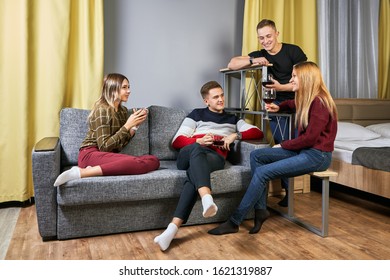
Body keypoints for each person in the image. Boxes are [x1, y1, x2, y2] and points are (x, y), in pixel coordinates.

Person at [208, 61, 338, 236]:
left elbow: (310, 139)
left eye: (294, 76)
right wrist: (280, 106)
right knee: (257, 155)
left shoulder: (320, 103)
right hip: (306, 151)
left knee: (263, 172)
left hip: (317, 156)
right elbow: (293, 104)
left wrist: (283, 144)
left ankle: (234, 221)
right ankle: (261, 209)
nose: (291, 80)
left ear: (306, 78)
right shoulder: (308, 98)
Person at [153, 81, 263, 251]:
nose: (221, 99)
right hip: (188, 154)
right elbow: (177, 141)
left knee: (193, 177)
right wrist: (198, 140)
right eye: (216, 97)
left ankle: (172, 229)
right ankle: (206, 197)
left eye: (222, 95)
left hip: (214, 157)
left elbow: (258, 132)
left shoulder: (232, 119)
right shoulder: (196, 115)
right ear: (206, 101)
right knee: (197, 149)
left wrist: (236, 135)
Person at [227, 19, 307, 206]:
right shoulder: (261, 54)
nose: (265, 41)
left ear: (277, 33)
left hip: (299, 102)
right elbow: (232, 64)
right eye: (261, 38)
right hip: (276, 104)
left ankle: (291, 192)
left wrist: (280, 86)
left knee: (296, 145)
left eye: (268, 36)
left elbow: (304, 79)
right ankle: (288, 193)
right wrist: (254, 60)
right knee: (283, 144)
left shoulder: (293, 51)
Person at [54, 73, 160, 186]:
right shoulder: (102, 110)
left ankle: (94, 169)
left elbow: (119, 146)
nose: (129, 91)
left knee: (154, 160)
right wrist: (127, 125)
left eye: (129, 87)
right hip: (90, 154)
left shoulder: (122, 111)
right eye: (124, 87)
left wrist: (134, 126)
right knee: (133, 162)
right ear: (112, 89)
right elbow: (104, 146)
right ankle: (81, 172)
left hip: (106, 155)